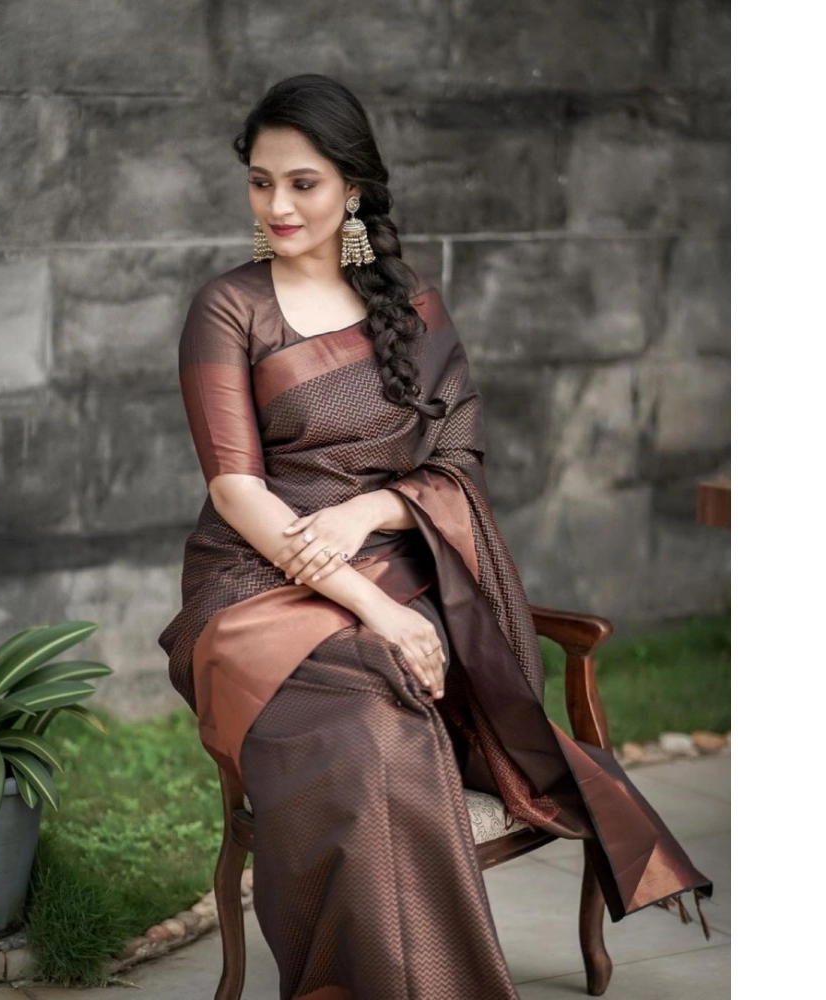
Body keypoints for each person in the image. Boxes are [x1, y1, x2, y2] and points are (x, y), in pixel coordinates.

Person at [159, 74, 711, 1000]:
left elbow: (458, 454)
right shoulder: (230, 307)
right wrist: (373, 607)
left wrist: (366, 514)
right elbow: (236, 489)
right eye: (261, 182)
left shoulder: (409, 300)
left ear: (353, 189)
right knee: (371, 719)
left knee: (395, 708)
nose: (277, 204)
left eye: (303, 182)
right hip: (257, 587)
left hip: (397, 561)